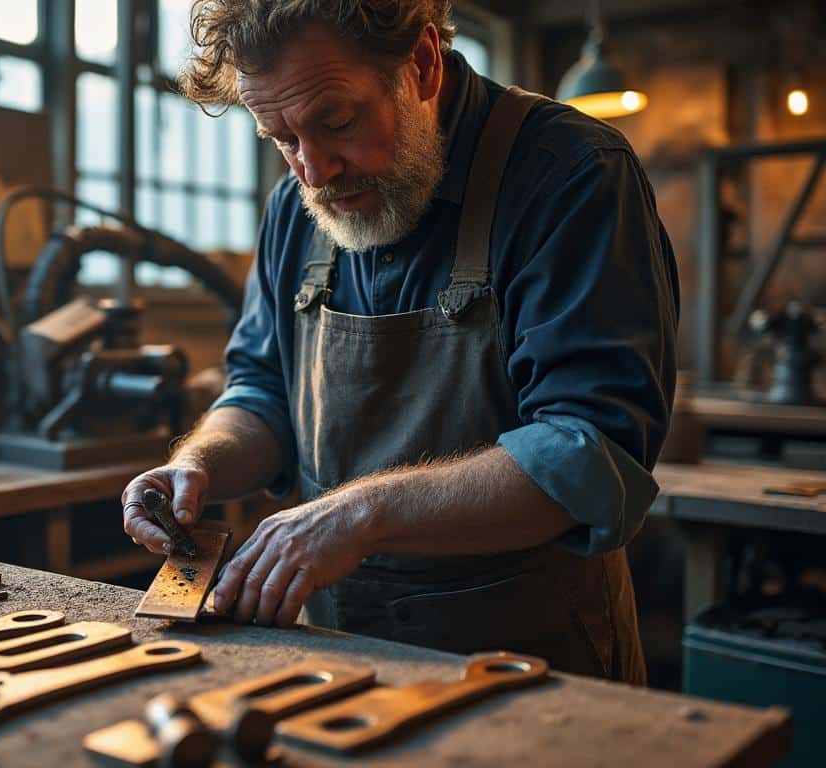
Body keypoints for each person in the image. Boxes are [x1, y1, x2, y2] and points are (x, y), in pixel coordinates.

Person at [120, 0, 678, 685]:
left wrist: (356, 515)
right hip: (337, 660)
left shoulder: (571, 173)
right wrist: (201, 463)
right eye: (280, 138)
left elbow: (591, 459)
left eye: (336, 122)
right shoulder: (294, 207)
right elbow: (263, 389)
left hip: (532, 667)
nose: (313, 171)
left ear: (420, 63)